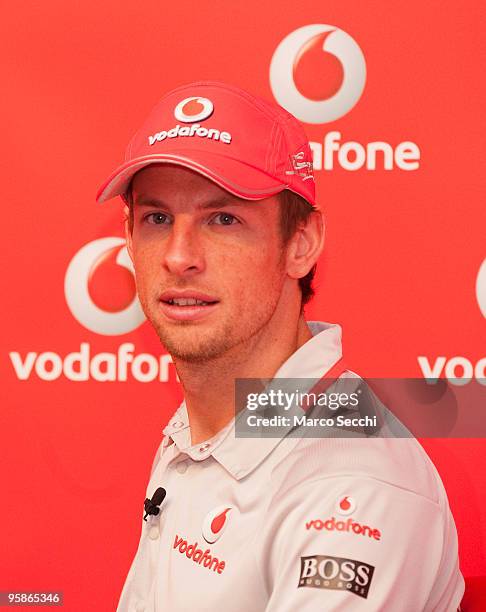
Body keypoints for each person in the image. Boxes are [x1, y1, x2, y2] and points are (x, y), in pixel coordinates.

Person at [96, 81, 465, 611]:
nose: (179, 256)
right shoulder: (213, 420)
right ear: (129, 238)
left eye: (223, 219)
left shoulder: (356, 488)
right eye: (157, 219)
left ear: (302, 244)